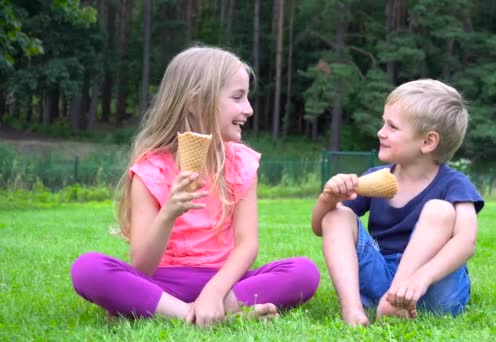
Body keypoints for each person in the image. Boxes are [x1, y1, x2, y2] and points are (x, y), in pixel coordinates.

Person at [71, 46, 320, 327]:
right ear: (195, 102)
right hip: (163, 283)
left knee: (304, 272)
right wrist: (168, 214)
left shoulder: (241, 163)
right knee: (87, 269)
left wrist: (214, 292)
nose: (248, 109)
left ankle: (182, 311)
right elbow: (141, 265)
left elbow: (247, 244)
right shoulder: (151, 170)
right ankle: (202, 317)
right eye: (237, 97)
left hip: (225, 284)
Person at [311, 79, 484, 327]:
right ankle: (352, 310)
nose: (381, 132)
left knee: (439, 210)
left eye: (392, 126)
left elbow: (466, 243)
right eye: (384, 123)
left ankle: (396, 300)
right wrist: (328, 199)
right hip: (379, 279)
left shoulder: (454, 184)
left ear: (427, 142)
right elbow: (321, 227)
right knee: (337, 215)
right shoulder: (376, 178)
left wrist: (418, 280)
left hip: (431, 288)